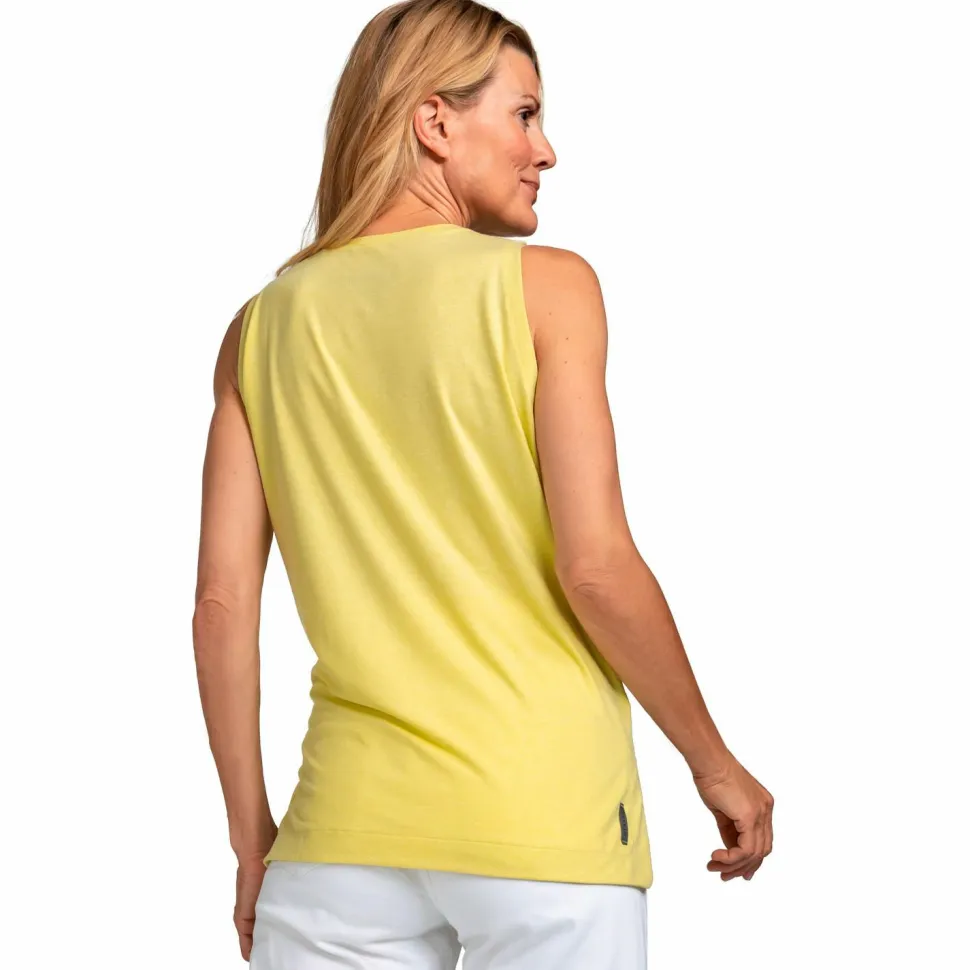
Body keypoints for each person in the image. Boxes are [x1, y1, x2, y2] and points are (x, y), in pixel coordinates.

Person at [193, 1, 774, 967]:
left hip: (338, 837)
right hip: (542, 818)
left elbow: (220, 606)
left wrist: (253, 842)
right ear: (435, 121)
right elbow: (596, 569)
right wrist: (714, 763)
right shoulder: (548, 288)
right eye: (525, 114)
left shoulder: (258, 328)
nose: (546, 151)